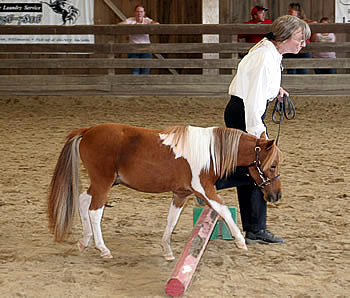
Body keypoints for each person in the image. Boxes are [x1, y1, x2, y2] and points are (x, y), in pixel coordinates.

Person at [216, 15, 311, 245]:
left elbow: (256, 84)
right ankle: (207, 184)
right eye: (300, 39)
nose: (303, 44)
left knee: (252, 169)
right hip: (247, 113)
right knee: (257, 167)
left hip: (245, 110)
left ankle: (255, 228)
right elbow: (254, 100)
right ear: (285, 36)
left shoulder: (269, 50)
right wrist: (259, 135)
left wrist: (275, 89)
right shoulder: (264, 58)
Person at [119, 5, 159, 75]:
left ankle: (144, 86)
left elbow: (157, 24)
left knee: (146, 70)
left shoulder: (147, 20)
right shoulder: (131, 20)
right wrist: (132, 27)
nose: (139, 13)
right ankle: (135, 86)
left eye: (141, 12)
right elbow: (119, 25)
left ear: (144, 13)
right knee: (135, 71)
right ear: (135, 13)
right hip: (133, 49)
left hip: (146, 49)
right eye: (137, 11)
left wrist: (146, 26)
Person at [284, 2, 315, 74]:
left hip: (302, 50)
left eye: (291, 11)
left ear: (298, 12)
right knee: (291, 73)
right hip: (290, 50)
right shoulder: (287, 22)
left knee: (302, 72)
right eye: (288, 11)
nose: (289, 12)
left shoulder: (304, 22)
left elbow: (314, 23)